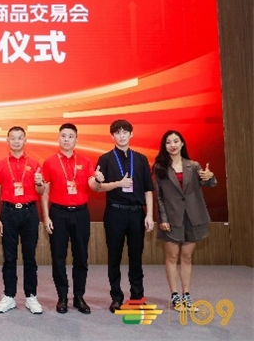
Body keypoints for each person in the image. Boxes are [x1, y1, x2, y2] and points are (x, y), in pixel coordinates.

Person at [94, 119, 155, 313]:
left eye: (125, 132)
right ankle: (116, 297)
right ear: (112, 136)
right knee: (114, 256)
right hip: (115, 212)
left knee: (136, 256)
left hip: (137, 213)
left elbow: (148, 189)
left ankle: (137, 297)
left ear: (131, 134)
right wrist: (119, 184)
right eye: (117, 132)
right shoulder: (105, 159)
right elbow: (98, 187)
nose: (121, 136)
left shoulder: (141, 159)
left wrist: (149, 215)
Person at [41, 123, 102, 315]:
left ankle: (79, 296)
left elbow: (93, 185)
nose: (66, 139)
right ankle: (62, 297)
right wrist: (46, 216)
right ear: (58, 138)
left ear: (76, 139)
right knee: (58, 257)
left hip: (81, 213)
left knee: (81, 256)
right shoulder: (49, 162)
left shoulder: (85, 161)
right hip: (58, 213)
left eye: (70, 136)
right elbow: (44, 191)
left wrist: (98, 180)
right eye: (63, 136)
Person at [152, 130, 216, 311]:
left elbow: (210, 183)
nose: (172, 145)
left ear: (182, 144)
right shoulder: (159, 168)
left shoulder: (193, 165)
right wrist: (163, 218)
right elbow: (159, 197)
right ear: (164, 146)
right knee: (172, 257)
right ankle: (175, 295)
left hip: (193, 217)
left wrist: (210, 177)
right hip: (171, 218)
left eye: (176, 141)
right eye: (168, 142)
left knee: (187, 257)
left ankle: (186, 295)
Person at [0, 126, 44, 314]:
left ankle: (31, 296)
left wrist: (39, 183)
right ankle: (9, 296)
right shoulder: (0, 164)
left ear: (25, 140)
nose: (16, 141)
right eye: (12, 138)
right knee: (9, 257)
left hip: (30, 212)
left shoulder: (35, 164)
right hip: (8, 212)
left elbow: (41, 191)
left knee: (30, 256)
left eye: (19, 138)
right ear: (7, 141)